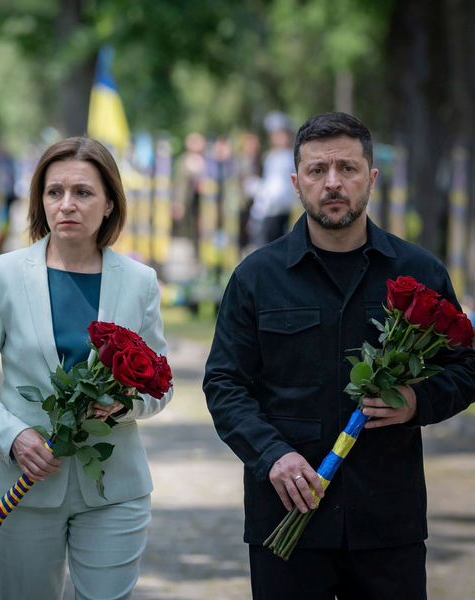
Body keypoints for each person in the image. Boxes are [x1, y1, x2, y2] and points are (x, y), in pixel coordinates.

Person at [203, 111, 475, 599]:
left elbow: (467, 366)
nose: (332, 183)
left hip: (388, 520)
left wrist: (418, 401)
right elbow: (224, 384)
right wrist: (273, 456)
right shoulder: (256, 277)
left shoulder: (420, 271)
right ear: (295, 182)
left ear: (371, 178)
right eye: (316, 171)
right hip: (285, 515)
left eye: (347, 169)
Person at [0, 137, 173, 600]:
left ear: (110, 203)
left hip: (116, 488)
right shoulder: (0, 276)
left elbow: (160, 387)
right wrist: (12, 436)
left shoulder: (140, 282)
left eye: (83, 192)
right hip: (24, 484)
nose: (66, 204)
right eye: (54, 192)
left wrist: (120, 407)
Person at [247, 110, 298, 248]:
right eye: (274, 134)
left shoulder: (290, 157)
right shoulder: (270, 156)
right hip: (267, 211)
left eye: (280, 134)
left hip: (282, 210)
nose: (277, 138)